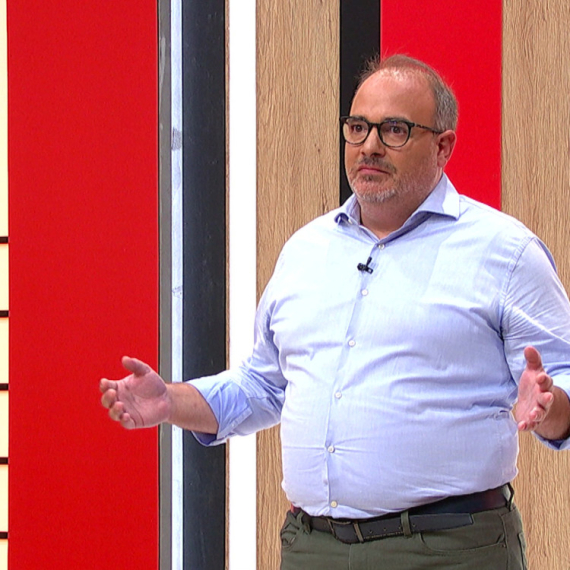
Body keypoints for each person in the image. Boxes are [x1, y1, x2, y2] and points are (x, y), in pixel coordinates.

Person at [100, 55, 570, 569]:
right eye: (358, 127)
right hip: (313, 547)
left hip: (449, 549)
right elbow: (263, 387)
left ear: (443, 146)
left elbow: (562, 379)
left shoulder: (505, 252)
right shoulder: (306, 250)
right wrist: (171, 400)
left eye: (394, 130)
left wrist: (550, 408)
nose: (369, 146)